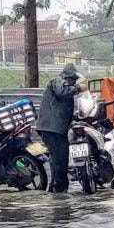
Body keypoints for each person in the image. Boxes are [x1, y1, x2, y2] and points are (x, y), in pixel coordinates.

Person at [37, 63, 80, 193]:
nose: (73, 82)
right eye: (73, 80)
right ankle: (58, 189)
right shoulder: (58, 81)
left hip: (58, 129)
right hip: (52, 128)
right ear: (69, 77)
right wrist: (77, 88)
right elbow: (62, 93)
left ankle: (58, 188)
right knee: (58, 159)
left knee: (61, 158)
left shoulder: (63, 83)